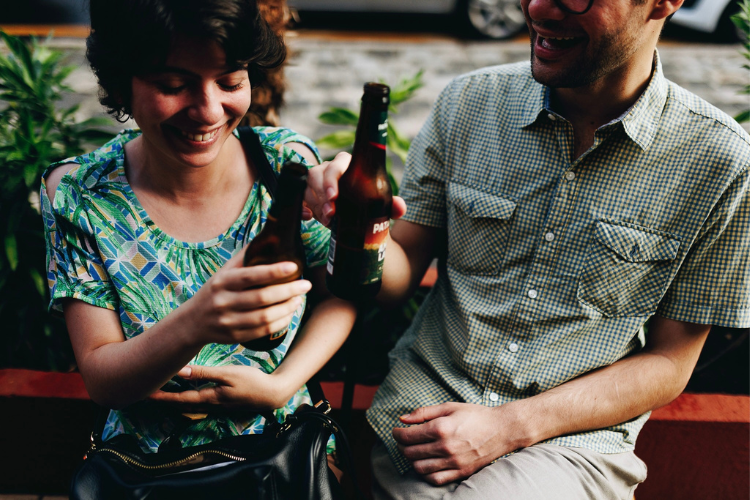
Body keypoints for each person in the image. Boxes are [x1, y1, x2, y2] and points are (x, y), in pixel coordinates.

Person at [304, 0, 750, 497]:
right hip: (422, 416)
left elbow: (670, 363)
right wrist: (354, 226)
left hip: (571, 446)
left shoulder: (720, 161)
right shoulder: (470, 103)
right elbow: (398, 276)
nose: (538, 7)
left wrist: (507, 426)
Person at [41, 0, 355, 477]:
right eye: (174, 85)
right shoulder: (81, 194)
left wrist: (280, 385)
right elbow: (103, 378)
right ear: (122, 81)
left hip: (283, 460)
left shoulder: (285, 167)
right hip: (143, 473)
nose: (208, 111)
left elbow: (338, 296)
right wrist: (201, 318)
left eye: (230, 82)